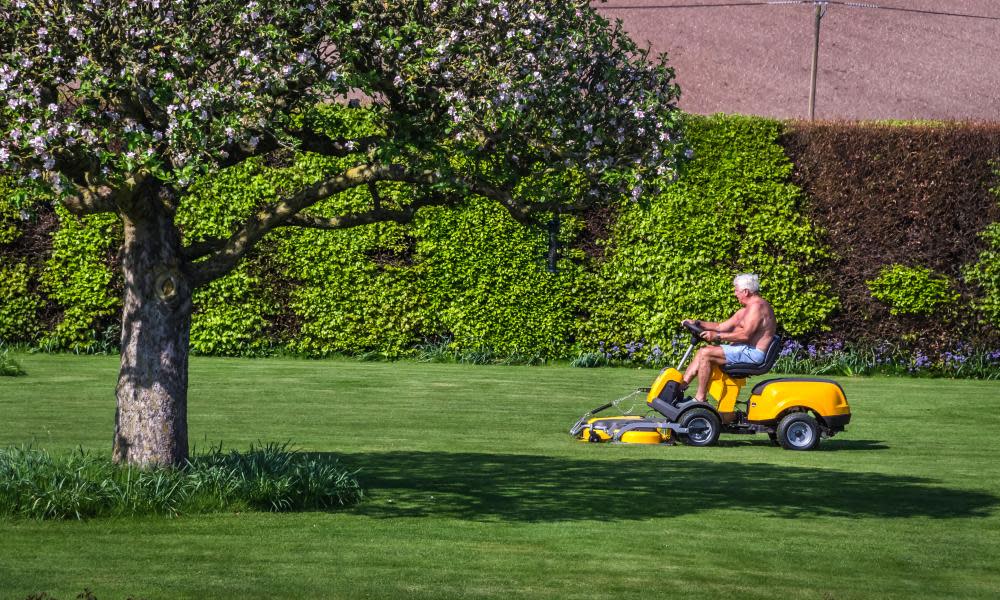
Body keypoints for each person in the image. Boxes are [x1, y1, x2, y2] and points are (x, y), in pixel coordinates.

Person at [680, 273, 776, 402]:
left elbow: (745, 335)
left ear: (746, 291)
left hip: (753, 353)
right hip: (745, 349)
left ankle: (700, 399)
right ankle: (680, 387)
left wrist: (717, 337)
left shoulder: (757, 307)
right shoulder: (747, 310)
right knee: (703, 350)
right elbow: (721, 326)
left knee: (706, 353)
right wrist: (697, 323)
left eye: (736, 290)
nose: (735, 294)